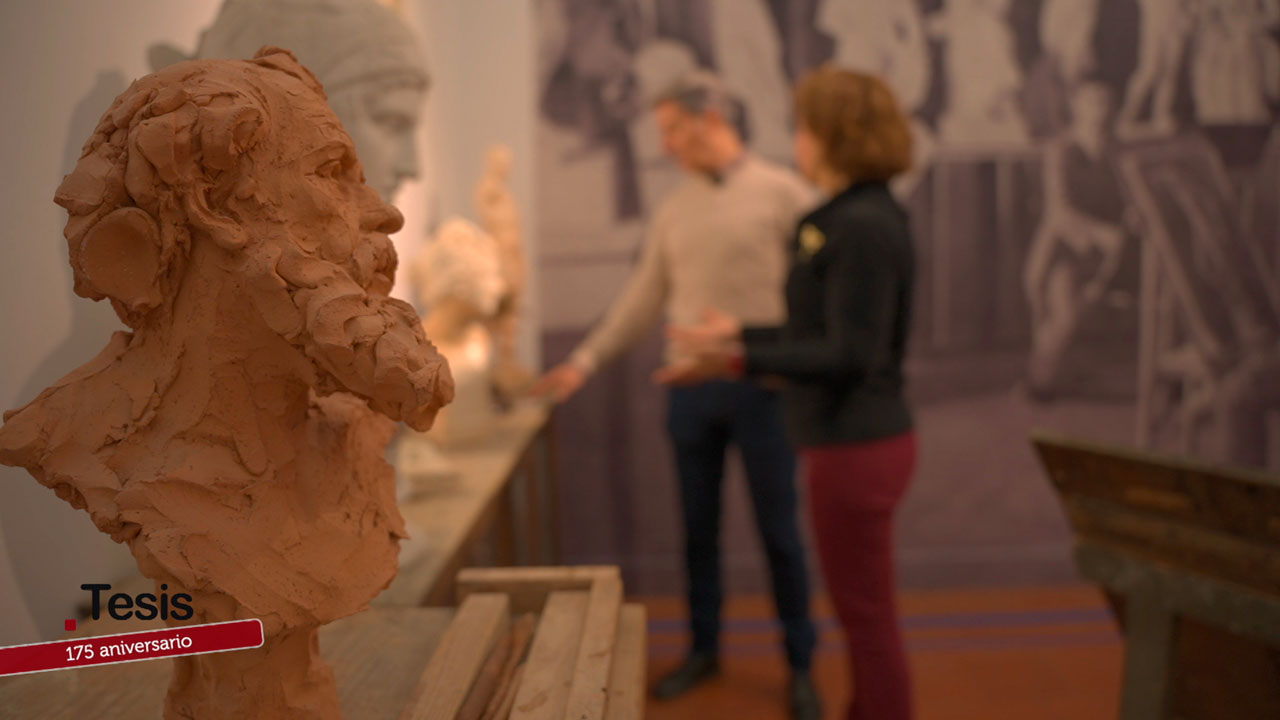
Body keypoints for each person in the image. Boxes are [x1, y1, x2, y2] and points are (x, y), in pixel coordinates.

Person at [532, 70, 822, 719]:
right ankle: (704, 649)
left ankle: (801, 665)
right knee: (698, 532)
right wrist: (583, 361)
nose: (663, 145)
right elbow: (642, 299)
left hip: (763, 389)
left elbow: (814, 302)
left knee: (780, 534)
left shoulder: (784, 194)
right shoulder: (676, 208)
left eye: (671, 128)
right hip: (689, 395)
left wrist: (779, 358)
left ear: (710, 118)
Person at [656, 67, 919, 720]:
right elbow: (822, 330)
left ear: (832, 135)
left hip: (857, 443)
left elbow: (848, 352)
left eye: (804, 127)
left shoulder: (858, 222)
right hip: (848, 439)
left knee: (866, 616)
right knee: (863, 612)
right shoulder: (856, 215)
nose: (796, 140)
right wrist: (741, 332)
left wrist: (741, 355)